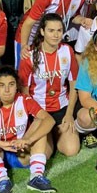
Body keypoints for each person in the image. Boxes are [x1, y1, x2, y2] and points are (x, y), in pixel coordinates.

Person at [0, 67, 57, 193]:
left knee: (40, 121)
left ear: (17, 86)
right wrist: (1, 144)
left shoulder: (24, 100)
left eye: (11, 85)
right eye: (2, 85)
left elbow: (49, 120)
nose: (6, 90)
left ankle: (36, 177)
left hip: (20, 153)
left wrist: (28, 139)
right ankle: (3, 181)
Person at [18, 14, 80, 158]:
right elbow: (25, 93)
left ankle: (57, 133)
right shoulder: (30, 55)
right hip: (39, 111)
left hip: (61, 108)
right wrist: (36, 118)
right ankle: (49, 134)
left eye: (59, 30)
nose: (56, 35)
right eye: (51, 30)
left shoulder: (67, 51)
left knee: (71, 150)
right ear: (42, 32)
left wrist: (70, 114)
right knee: (42, 155)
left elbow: (73, 84)